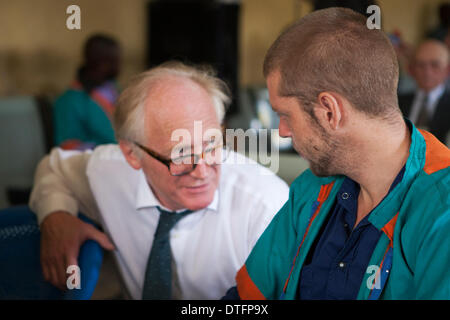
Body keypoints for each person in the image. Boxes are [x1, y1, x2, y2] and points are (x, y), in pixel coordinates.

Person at [225, 7, 450, 300]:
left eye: (285, 115)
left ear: (330, 111)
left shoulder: (441, 213)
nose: (282, 131)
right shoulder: (311, 188)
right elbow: (246, 299)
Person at [29, 61, 289, 299]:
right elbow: (53, 168)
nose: (202, 171)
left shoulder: (267, 208)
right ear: (132, 154)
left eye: (212, 144)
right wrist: (56, 215)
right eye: (181, 154)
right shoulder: (107, 171)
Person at [53, 34, 121, 149]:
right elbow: (68, 146)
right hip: (96, 162)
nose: (119, 66)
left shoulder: (114, 90)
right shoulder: (69, 102)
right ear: (102, 63)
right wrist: (103, 151)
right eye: (115, 60)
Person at [398, 39, 450, 146]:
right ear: (412, 70)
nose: (427, 72)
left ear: (447, 70)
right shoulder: (397, 102)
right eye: (421, 65)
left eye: (435, 65)